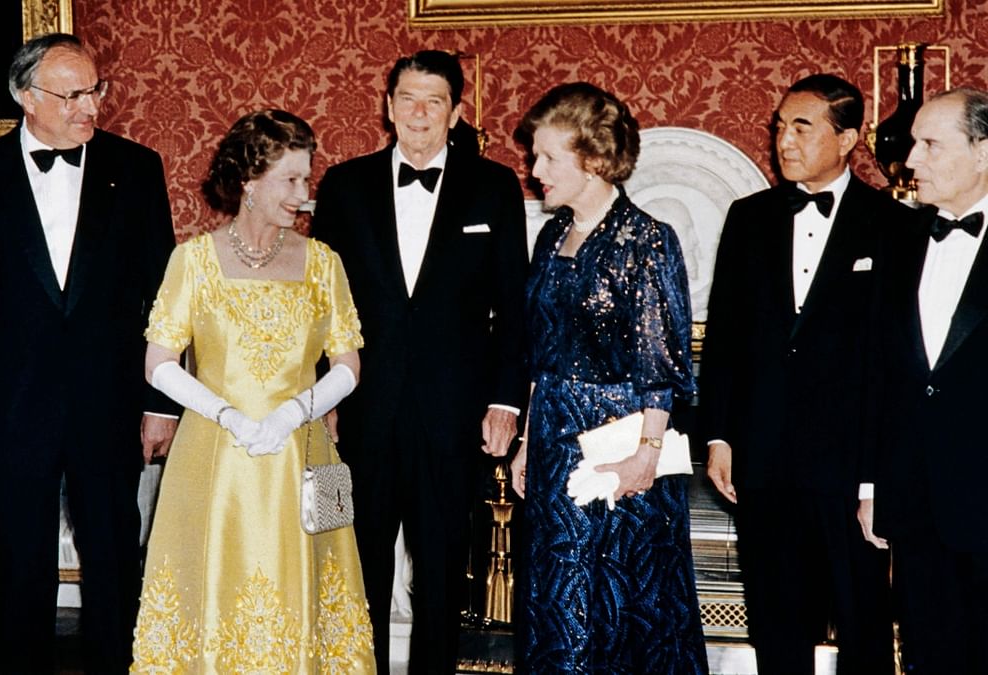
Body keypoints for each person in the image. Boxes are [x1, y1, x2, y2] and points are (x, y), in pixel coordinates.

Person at [0, 33, 178, 673]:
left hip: (113, 401)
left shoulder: (138, 168)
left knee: (116, 555)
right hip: (9, 407)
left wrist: (162, 402)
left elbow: (165, 301)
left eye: (93, 91)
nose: (88, 107)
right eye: (70, 95)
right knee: (20, 562)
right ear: (25, 97)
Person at [129, 109, 374, 673]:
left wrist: (291, 414)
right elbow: (158, 363)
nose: (303, 193)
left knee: (326, 589)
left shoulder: (323, 262)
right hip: (215, 453)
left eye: (306, 179)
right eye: (290, 180)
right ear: (248, 182)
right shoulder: (191, 260)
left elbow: (349, 363)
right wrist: (233, 418)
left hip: (312, 453)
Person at [310, 49, 529, 673]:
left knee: (441, 570)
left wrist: (506, 399)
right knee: (359, 564)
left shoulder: (494, 186)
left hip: (453, 413)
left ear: (456, 113)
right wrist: (325, 397)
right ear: (388, 106)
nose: (420, 113)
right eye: (408, 98)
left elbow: (516, 306)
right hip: (361, 409)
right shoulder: (344, 186)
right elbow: (322, 305)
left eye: (435, 101)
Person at [697, 74, 900, 675]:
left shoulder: (893, 224)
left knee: (863, 622)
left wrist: (875, 477)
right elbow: (726, 338)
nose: (783, 140)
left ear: (847, 139)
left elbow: (894, 362)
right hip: (763, 462)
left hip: (849, 470)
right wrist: (719, 436)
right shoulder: (747, 217)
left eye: (801, 127)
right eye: (780, 126)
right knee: (776, 623)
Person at [510, 82, 705, 672]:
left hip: (618, 443)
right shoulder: (550, 237)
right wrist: (524, 441)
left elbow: (662, 367)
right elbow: (540, 350)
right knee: (554, 598)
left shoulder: (647, 240)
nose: (534, 169)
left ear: (592, 160)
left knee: (618, 601)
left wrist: (646, 455)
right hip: (551, 441)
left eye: (547, 157)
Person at [859, 87, 988, 674]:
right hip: (915, 502)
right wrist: (870, 486)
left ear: (983, 151)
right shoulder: (898, 239)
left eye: (931, 144)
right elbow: (877, 374)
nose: (912, 160)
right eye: (913, 143)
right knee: (929, 656)